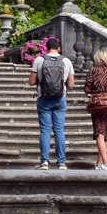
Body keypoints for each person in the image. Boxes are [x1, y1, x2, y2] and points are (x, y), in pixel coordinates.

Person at [28, 37, 74, 170]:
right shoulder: (66, 61)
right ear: (59, 48)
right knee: (59, 130)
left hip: (44, 98)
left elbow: (31, 82)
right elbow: (70, 85)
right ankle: (61, 163)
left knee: (45, 131)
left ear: (45, 48)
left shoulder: (39, 60)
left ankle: (44, 162)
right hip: (60, 99)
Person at [85, 50, 107, 171]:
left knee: (99, 134)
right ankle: (98, 163)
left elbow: (87, 89)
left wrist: (96, 91)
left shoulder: (92, 71)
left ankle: (106, 163)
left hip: (97, 105)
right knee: (104, 135)